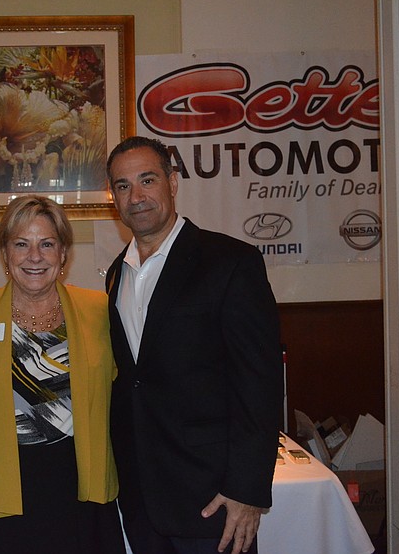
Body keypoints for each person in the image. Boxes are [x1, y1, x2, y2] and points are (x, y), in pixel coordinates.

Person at [104, 136, 283, 554]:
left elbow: (261, 384)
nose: (137, 196)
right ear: (113, 197)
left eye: (147, 179)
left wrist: (248, 489)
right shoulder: (116, 275)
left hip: (214, 501)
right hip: (142, 499)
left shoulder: (229, 262)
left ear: (173, 181)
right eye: (124, 185)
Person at [0, 195, 126, 554]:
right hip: (0, 486)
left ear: (63, 253)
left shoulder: (98, 310)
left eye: (47, 244)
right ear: (5, 253)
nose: (34, 256)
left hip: (79, 485)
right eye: (21, 244)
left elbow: (127, 389)